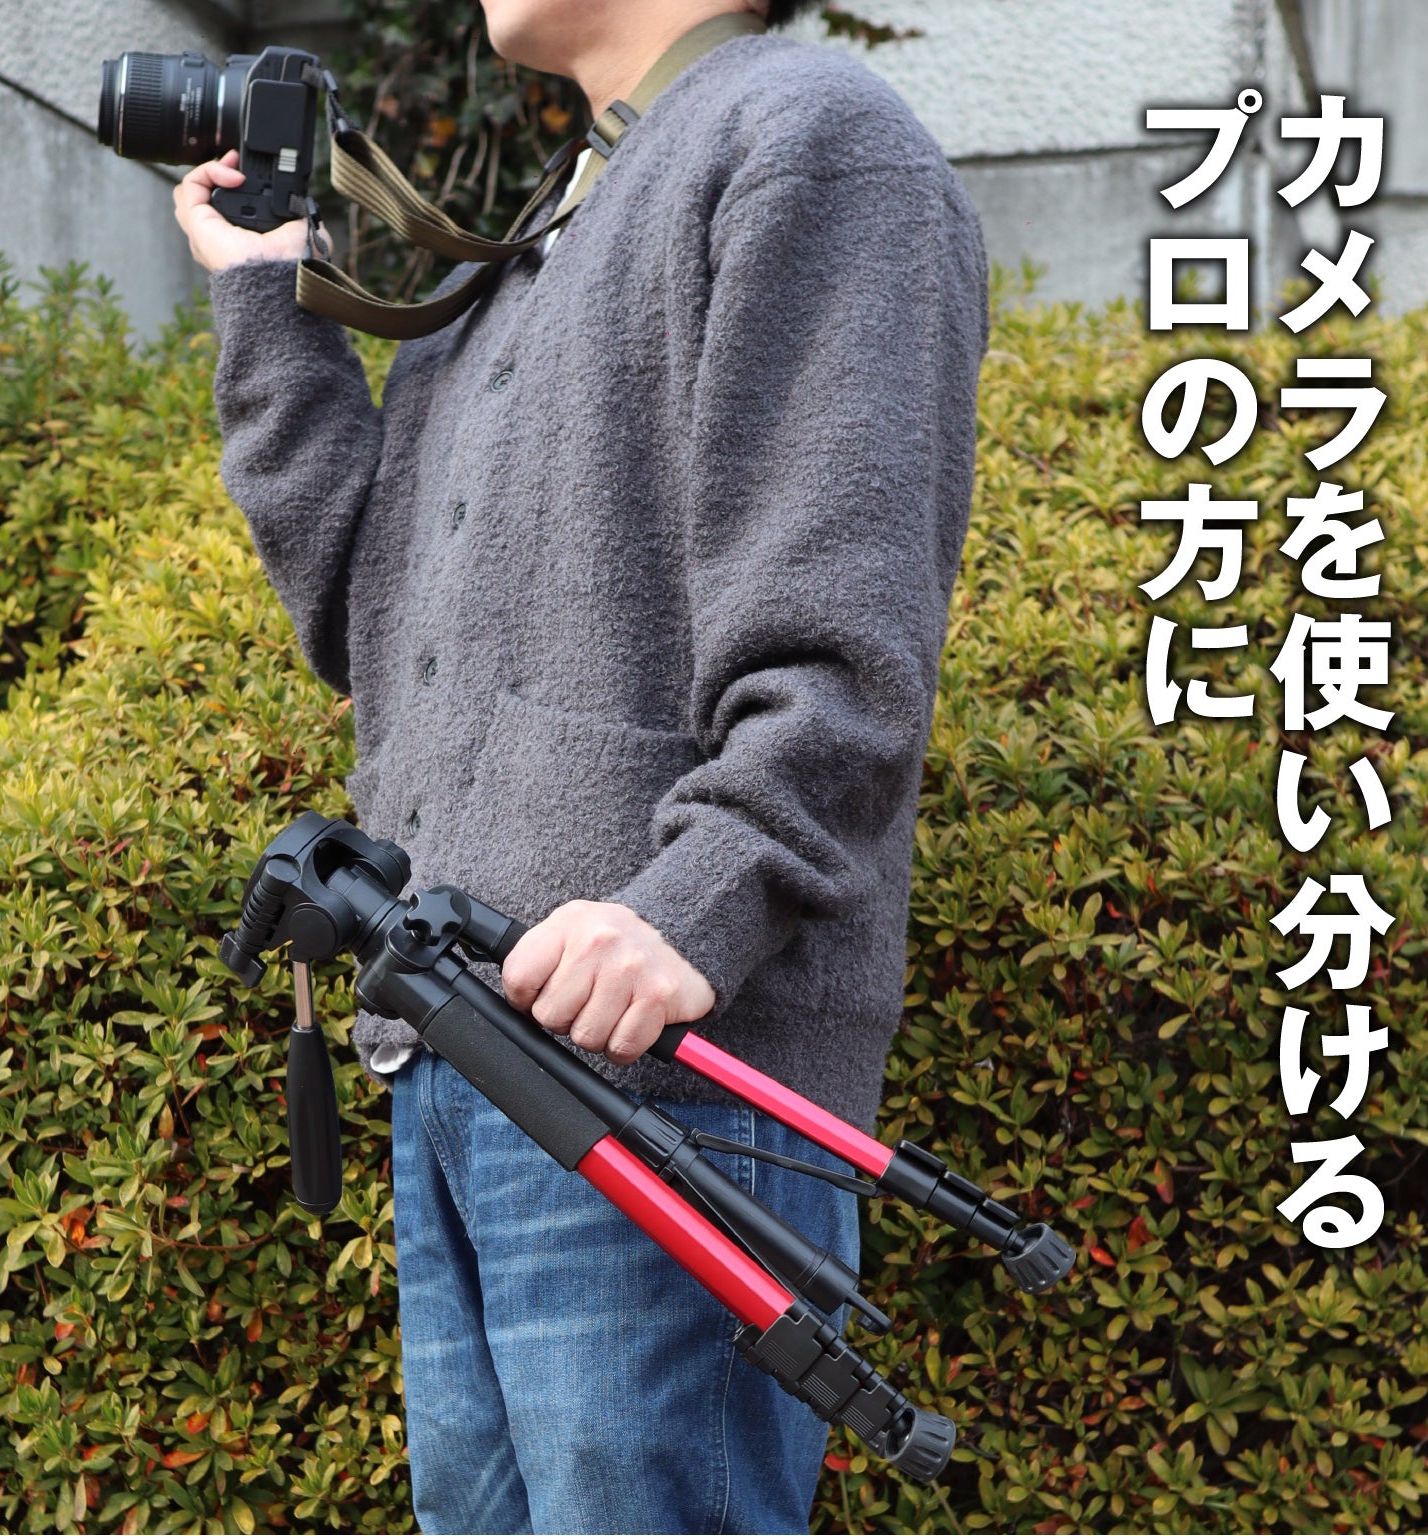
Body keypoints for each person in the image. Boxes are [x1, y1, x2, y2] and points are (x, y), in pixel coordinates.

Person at [177, 0, 986, 1528]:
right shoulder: (547, 226)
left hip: (668, 1080)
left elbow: (849, 647)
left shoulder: (808, 142)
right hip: (465, 1066)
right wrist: (270, 300)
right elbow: (369, 618)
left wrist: (692, 910)